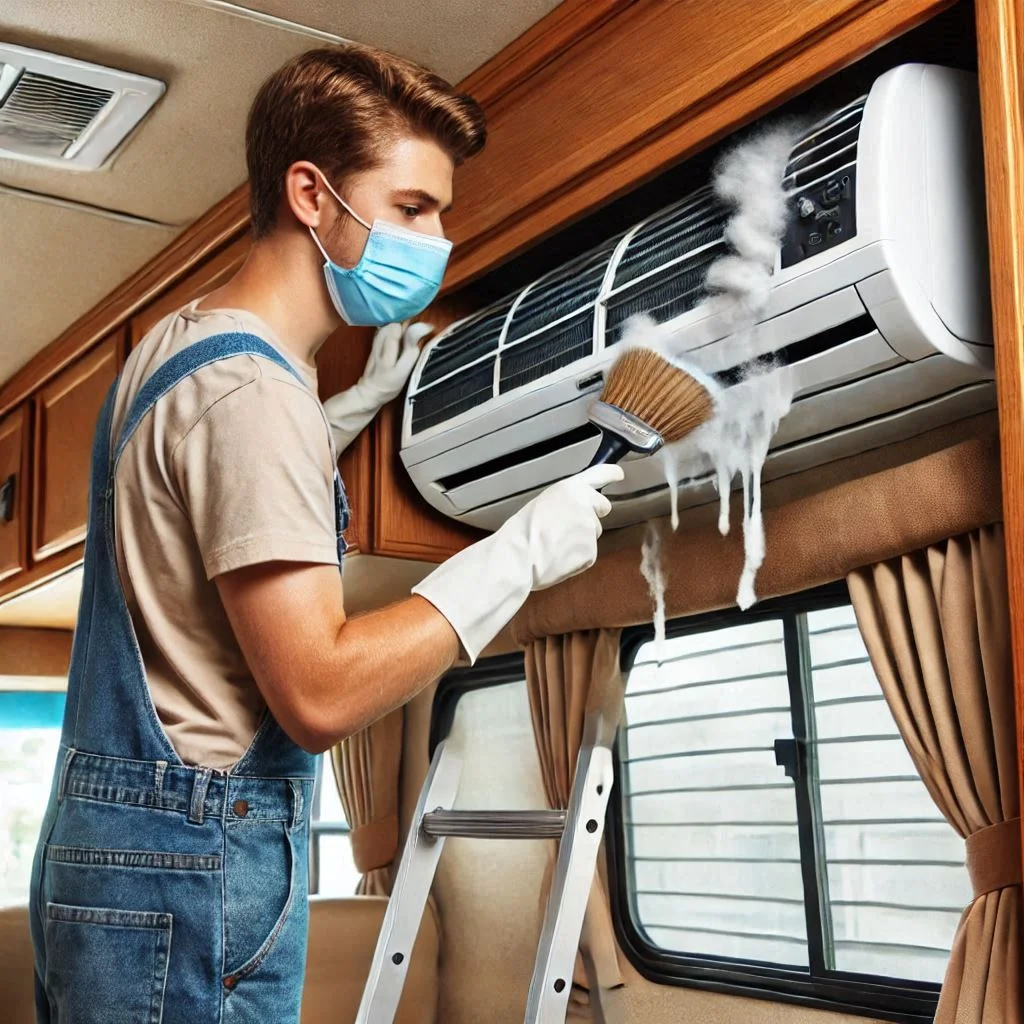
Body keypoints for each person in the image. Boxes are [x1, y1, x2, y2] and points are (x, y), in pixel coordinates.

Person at [29, 43, 623, 1023]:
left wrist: (344, 413)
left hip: (111, 858)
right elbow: (317, 689)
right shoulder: (257, 393)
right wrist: (513, 557)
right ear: (311, 193)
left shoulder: (181, 348)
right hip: (193, 863)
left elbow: (207, 482)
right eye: (411, 208)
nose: (437, 241)